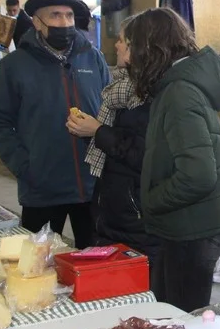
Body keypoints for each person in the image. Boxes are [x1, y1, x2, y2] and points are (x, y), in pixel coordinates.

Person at [0, 0, 109, 247]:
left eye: (69, 16)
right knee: (39, 261)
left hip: (92, 187)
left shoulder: (92, 58)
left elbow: (110, 108)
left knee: (95, 260)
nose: (65, 22)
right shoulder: (15, 66)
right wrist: (25, 166)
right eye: (55, 15)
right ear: (37, 23)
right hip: (43, 190)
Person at [134, 8, 220, 311]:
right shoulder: (175, 86)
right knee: (167, 309)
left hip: (194, 228)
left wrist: (151, 200)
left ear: (149, 47)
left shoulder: (179, 93)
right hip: (187, 223)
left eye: (132, 44)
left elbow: (198, 175)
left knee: (181, 318)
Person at [67, 15, 161, 295]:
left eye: (122, 40)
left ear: (138, 48)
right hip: (114, 212)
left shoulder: (151, 96)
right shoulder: (122, 88)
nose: (116, 45)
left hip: (136, 219)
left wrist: (97, 131)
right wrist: (93, 131)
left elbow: (144, 155)